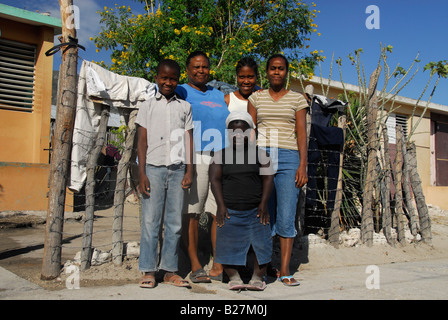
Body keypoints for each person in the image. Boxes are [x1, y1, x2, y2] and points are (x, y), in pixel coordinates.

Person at [248, 53, 308, 286]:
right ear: (267, 71)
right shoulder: (256, 97)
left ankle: (285, 270)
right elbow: (251, 131)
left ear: (286, 72)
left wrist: (302, 165)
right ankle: (262, 268)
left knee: (286, 214)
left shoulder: (297, 99)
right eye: (272, 68)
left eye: (281, 69)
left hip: (289, 157)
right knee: (263, 213)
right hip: (262, 156)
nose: (276, 72)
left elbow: (301, 133)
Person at [136, 59, 194, 288]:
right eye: (164, 78)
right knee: (151, 221)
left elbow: (189, 140)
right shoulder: (147, 106)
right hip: (153, 168)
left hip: (178, 169)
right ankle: (148, 270)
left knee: (174, 223)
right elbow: (141, 141)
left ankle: (170, 270)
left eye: (172, 78)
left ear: (178, 79)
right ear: (157, 77)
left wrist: (190, 170)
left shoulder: (185, 107)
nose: (168, 82)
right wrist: (141, 172)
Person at [176, 51, 229, 283]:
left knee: (218, 211)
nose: (201, 71)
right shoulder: (180, 90)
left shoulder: (218, 94)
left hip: (220, 156)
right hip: (195, 155)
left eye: (205, 67)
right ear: (187, 69)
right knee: (193, 211)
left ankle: (218, 264)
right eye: (196, 67)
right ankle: (195, 263)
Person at [210, 111, 274, 291]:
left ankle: (257, 276)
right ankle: (233, 276)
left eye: (242, 131)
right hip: (230, 211)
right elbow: (214, 180)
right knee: (226, 244)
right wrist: (221, 206)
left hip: (256, 210)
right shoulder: (219, 154)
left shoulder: (261, 154)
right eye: (233, 132)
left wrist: (263, 204)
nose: (237, 135)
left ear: (249, 133)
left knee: (262, 245)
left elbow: (268, 179)